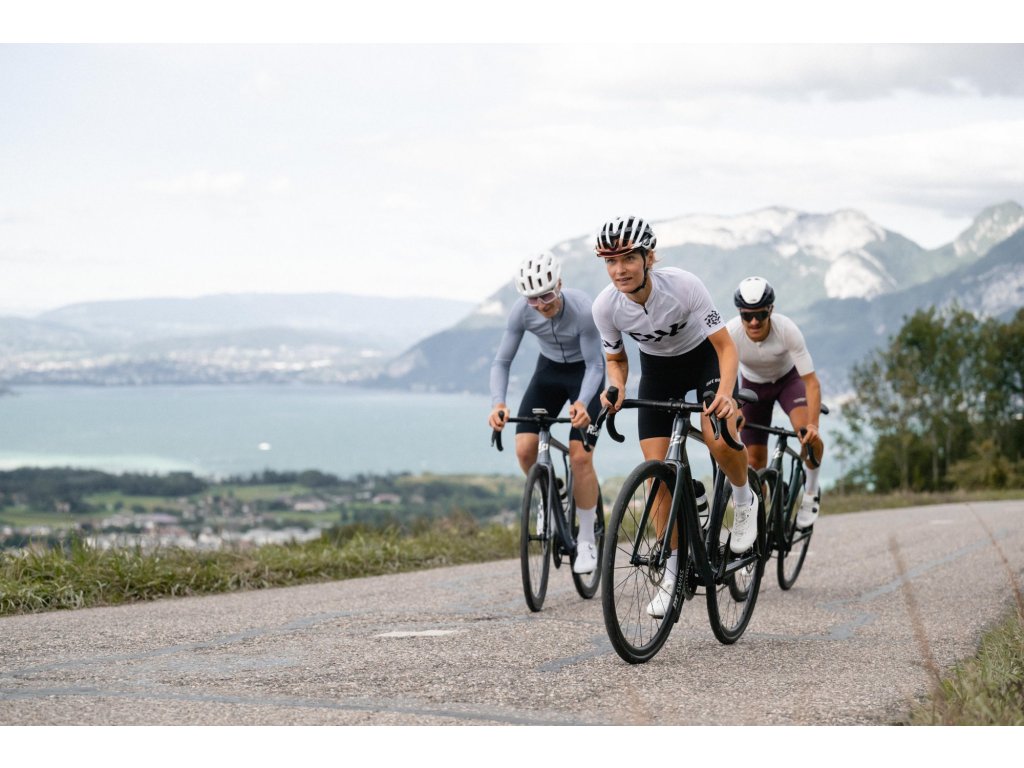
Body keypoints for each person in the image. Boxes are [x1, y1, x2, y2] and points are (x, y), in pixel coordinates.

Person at [590, 215, 755, 618]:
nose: (619, 270)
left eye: (628, 258)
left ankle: (743, 498)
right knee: (657, 476)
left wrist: (726, 393)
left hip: (705, 361)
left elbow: (725, 347)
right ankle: (673, 574)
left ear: (649, 258)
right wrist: (616, 387)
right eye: (611, 261)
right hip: (658, 374)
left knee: (718, 437)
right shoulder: (605, 307)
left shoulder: (684, 286)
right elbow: (616, 360)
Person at [488, 251, 606, 574]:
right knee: (525, 450)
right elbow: (501, 362)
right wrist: (498, 403)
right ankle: (553, 494)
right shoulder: (521, 312)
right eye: (532, 299)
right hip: (548, 372)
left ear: (559, 285)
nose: (541, 305)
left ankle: (586, 539)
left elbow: (596, 365)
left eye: (547, 296)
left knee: (580, 456)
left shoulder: (583, 310)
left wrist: (583, 402)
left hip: (585, 373)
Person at [727, 276, 825, 528]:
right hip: (752, 387)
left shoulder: (786, 330)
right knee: (754, 461)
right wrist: (736, 407)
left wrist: (813, 425)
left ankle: (811, 492)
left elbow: (811, 383)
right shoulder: (732, 333)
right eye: (747, 315)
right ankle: (759, 521)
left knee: (807, 436)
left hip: (787, 382)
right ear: (740, 314)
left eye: (760, 314)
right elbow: (726, 376)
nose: (754, 321)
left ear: (770, 310)